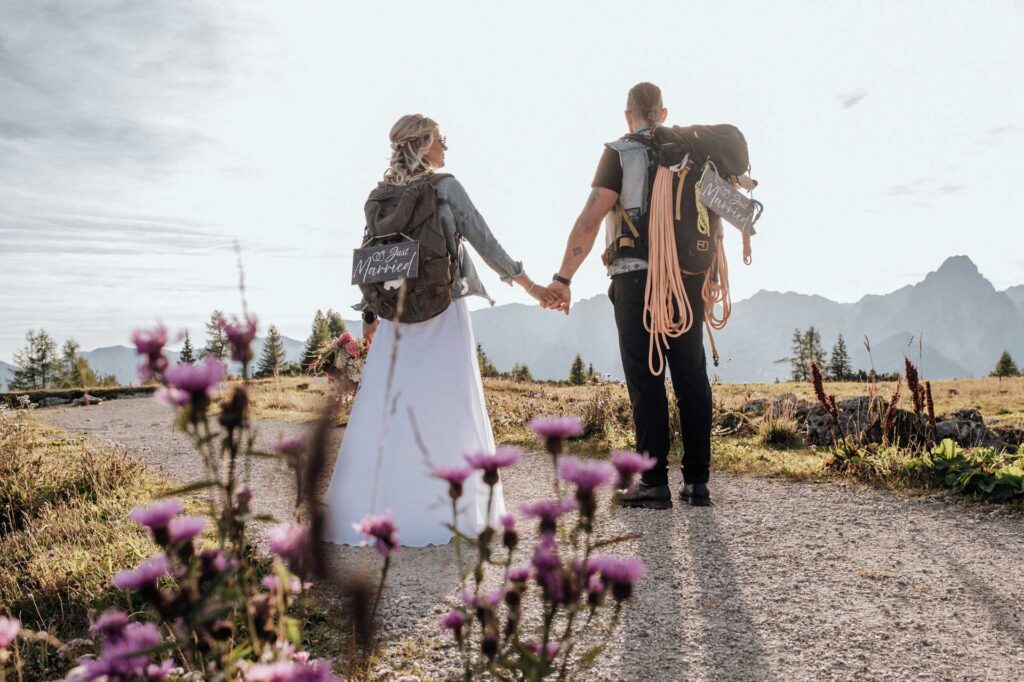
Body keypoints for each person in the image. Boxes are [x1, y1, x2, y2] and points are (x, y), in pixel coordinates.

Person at [323, 114, 559, 546]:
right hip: (442, 311)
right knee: (449, 406)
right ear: (423, 144)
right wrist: (530, 286)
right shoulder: (444, 187)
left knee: (390, 412)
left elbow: (373, 261)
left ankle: (383, 509)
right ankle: (453, 511)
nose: (446, 146)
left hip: (394, 320)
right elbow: (485, 241)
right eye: (440, 139)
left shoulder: (380, 198)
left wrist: (369, 319)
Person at [546, 82, 714, 508]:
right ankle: (697, 482)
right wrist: (710, 274)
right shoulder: (693, 154)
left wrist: (563, 277)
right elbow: (714, 219)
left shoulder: (620, 153)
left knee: (645, 376)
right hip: (687, 279)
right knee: (691, 375)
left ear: (628, 115)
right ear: (663, 111)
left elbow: (591, 218)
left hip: (635, 277)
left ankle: (653, 480)